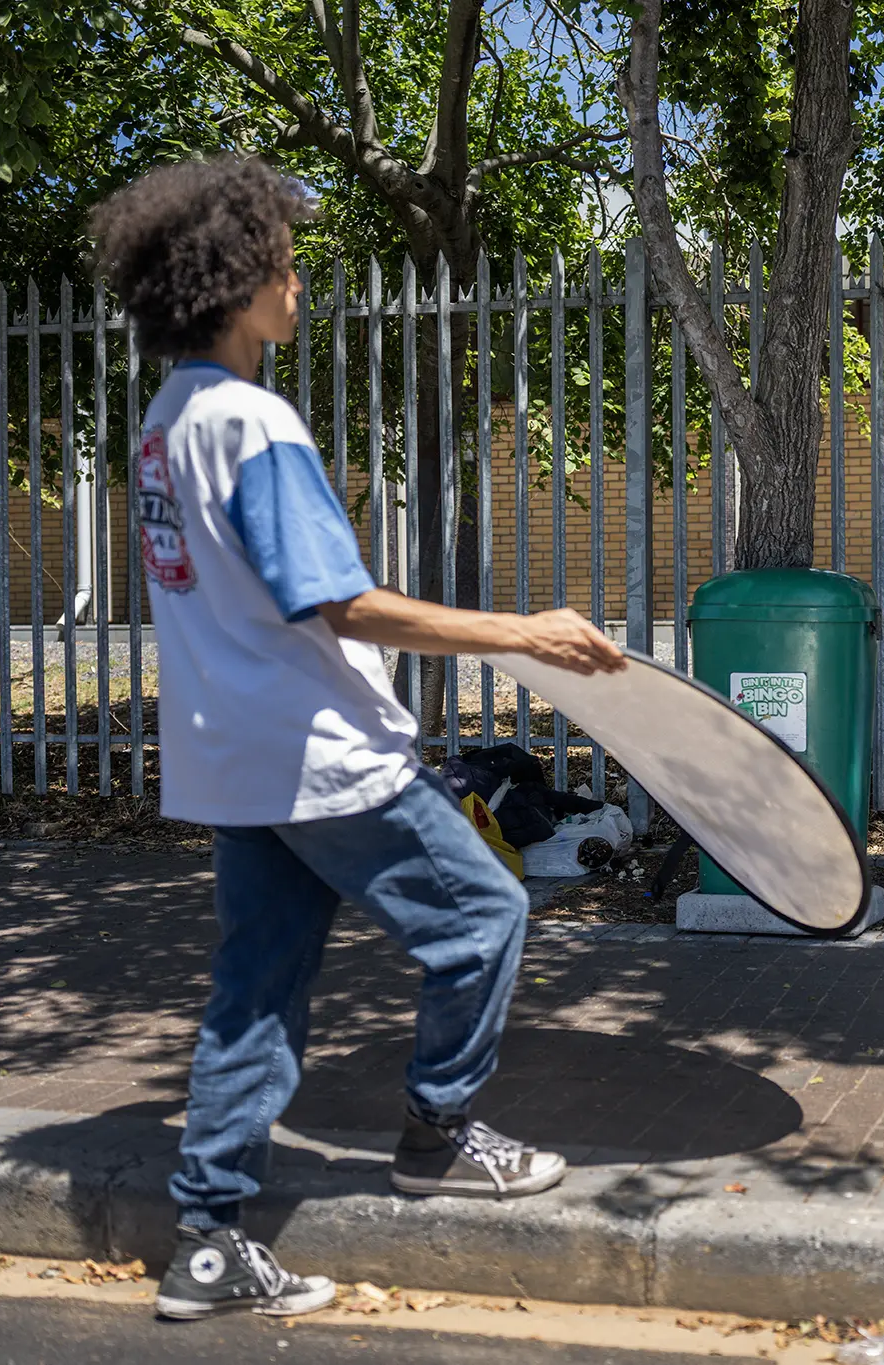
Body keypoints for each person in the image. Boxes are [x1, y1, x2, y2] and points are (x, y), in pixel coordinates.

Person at [89, 155, 627, 1322]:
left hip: (234, 759)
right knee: (483, 916)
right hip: (322, 752)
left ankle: (211, 1238)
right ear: (230, 282)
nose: (295, 282)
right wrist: (519, 634)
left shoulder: (164, 424)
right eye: (280, 263)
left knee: (257, 990)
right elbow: (335, 603)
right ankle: (438, 1133)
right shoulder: (252, 421)